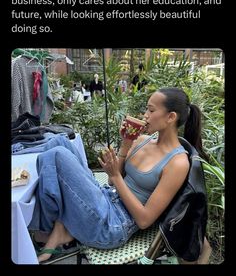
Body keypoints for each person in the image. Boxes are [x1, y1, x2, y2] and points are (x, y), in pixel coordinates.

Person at [29, 87, 211, 264]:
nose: (145, 115)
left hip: (115, 224)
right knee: (57, 141)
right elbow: (110, 181)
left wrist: (116, 177)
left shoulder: (177, 163)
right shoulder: (142, 140)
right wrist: (126, 144)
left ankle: (49, 229)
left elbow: (144, 220)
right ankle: (60, 226)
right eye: (146, 108)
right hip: (107, 197)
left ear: (171, 117)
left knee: (57, 155)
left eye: (151, 110)